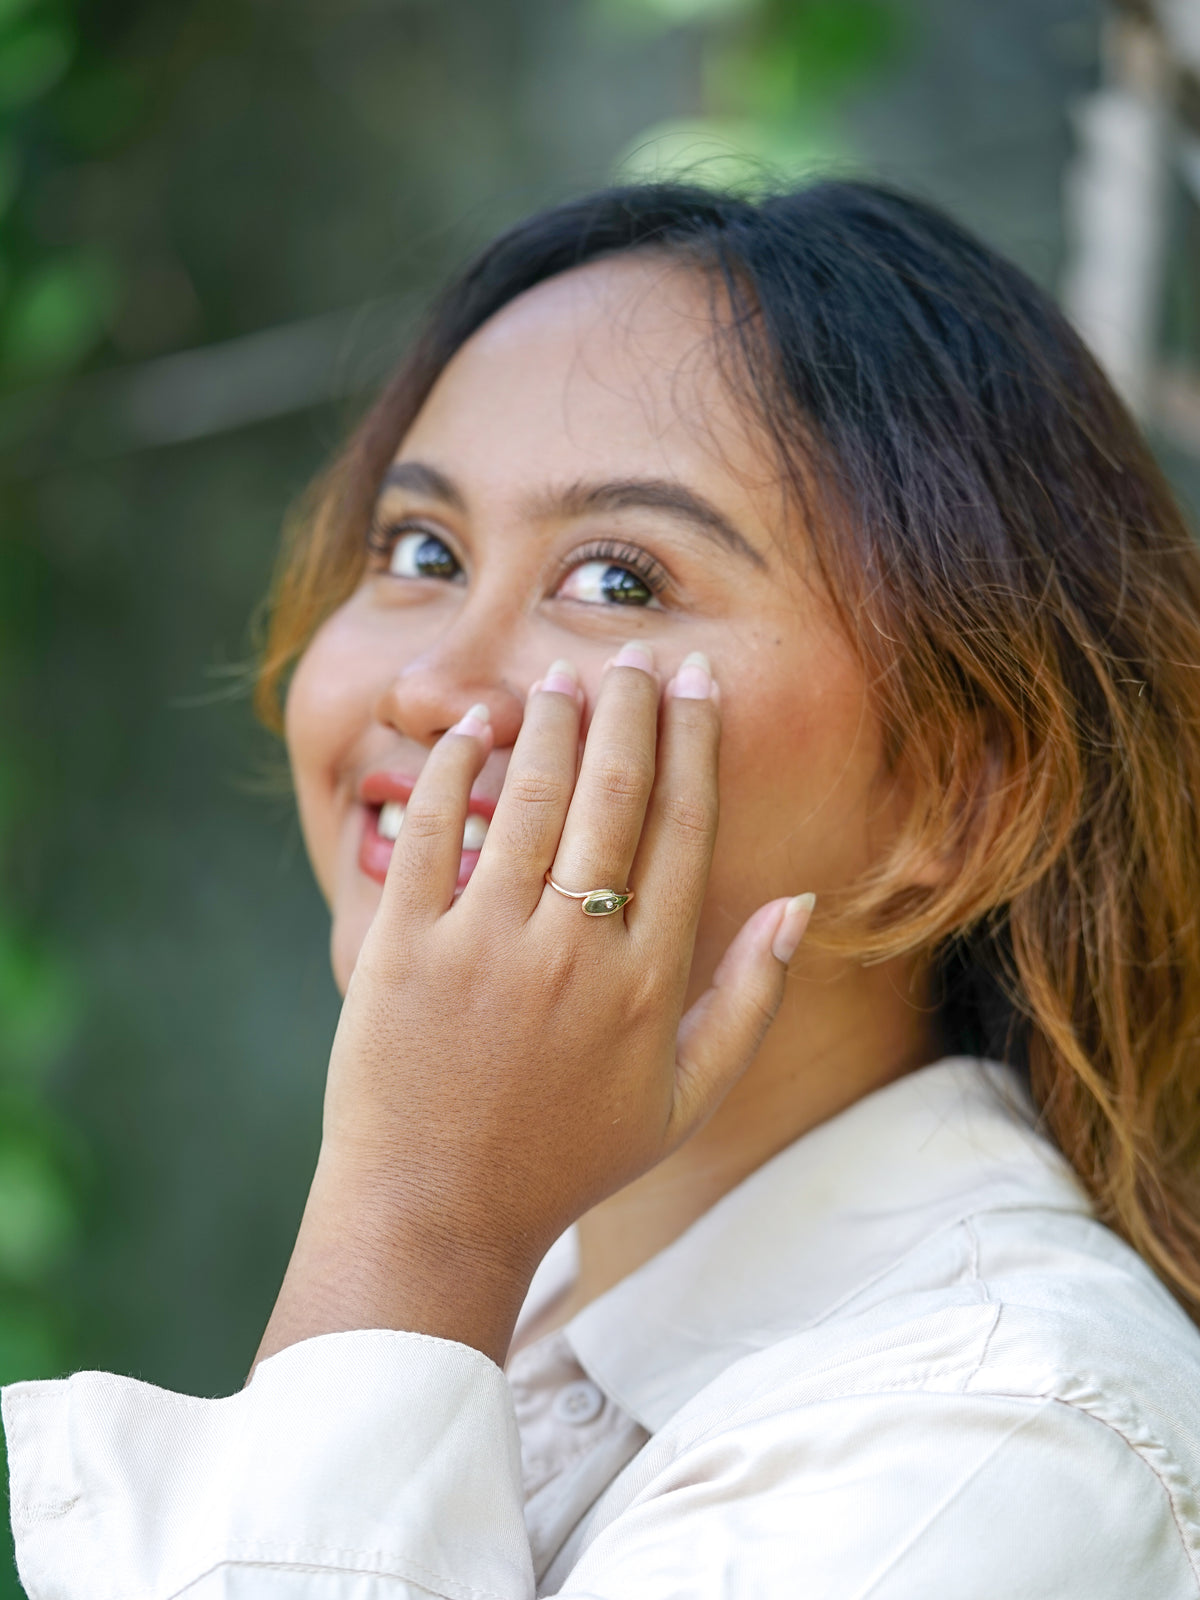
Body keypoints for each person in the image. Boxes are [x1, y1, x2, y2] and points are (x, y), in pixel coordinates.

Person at [5, 178, 1200, 1598]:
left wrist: (412, 1229)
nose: (428, 682)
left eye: (620, 580)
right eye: (421, 550)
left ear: (953, 794)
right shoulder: (555, 1301)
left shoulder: (995, 1452)